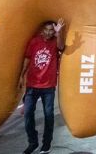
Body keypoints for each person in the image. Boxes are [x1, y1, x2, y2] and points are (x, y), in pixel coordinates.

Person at [18, 19, 66, 154]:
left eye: (52, 30)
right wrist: (21, 75)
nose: (49, 32)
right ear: (42, 30)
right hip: (32, 85)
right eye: (47, 30)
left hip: (48, 86)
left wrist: (59, 33)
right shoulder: (34, 41)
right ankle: (33, 142)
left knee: (49, 115)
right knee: (27, 114)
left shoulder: (54, 42)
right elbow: (27, 58)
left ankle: (46, 144)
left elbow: (61, 47)